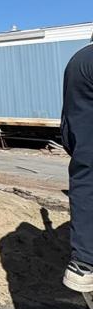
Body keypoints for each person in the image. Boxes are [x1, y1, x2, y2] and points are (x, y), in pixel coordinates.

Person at [61, 35, 93, 292]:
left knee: (86, 184)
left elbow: (68, 121)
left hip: (83, 150)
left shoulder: (77, 60)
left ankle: (83, 263)